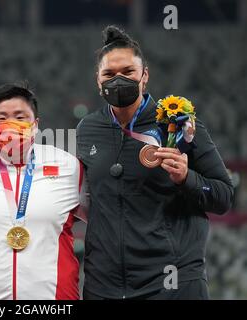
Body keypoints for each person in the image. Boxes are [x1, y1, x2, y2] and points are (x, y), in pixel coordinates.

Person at [76, 26, 234, 300]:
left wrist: (187, 179)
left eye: (128, 72)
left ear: (144, 76)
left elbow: (223, 196)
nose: (118, 80)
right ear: (98, 81)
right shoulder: (88, 128)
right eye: (109, 74)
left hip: (172, 282)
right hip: (105, 285)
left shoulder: (178, 123)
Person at [0, 82, 87, 300]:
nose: (10, 124)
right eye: (1, 118)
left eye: (20, 118)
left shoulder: (68, 167)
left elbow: (103, 221)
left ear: (35, 124)